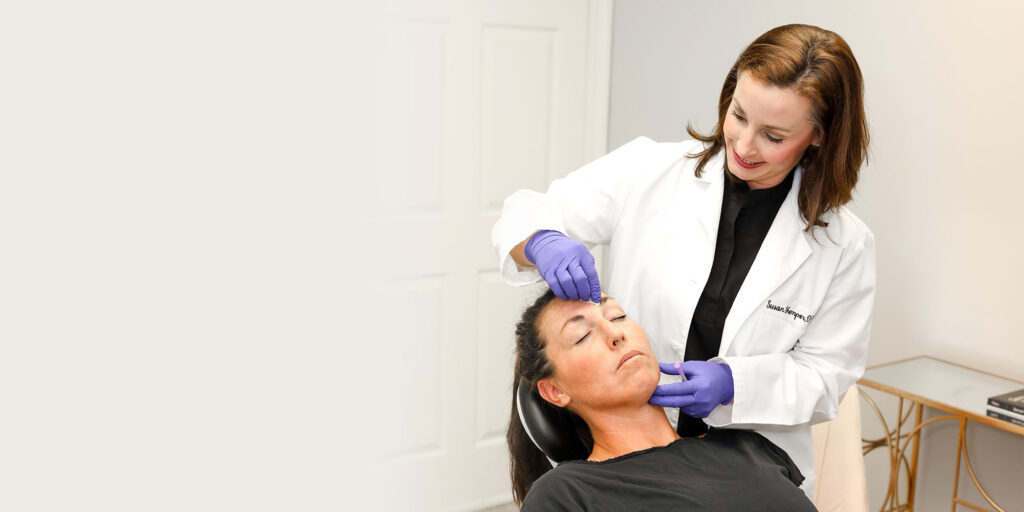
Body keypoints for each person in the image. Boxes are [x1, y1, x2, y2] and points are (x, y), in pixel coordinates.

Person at [492, 23, 874, 496]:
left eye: (773, 136)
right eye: (738, 115)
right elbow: (524, 212)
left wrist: (735, 383)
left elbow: (826, 376)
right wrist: (543, 241)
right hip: (630, 461)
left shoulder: (844, 247)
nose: (744, 145)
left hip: (749, 467)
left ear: (819, 136)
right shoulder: (649, 172)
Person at [508, 290, 816, 510]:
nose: (615, 332)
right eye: (582, 336)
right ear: (555, 391)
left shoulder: (750, 448)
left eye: (618, 315)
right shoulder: (568, 494)